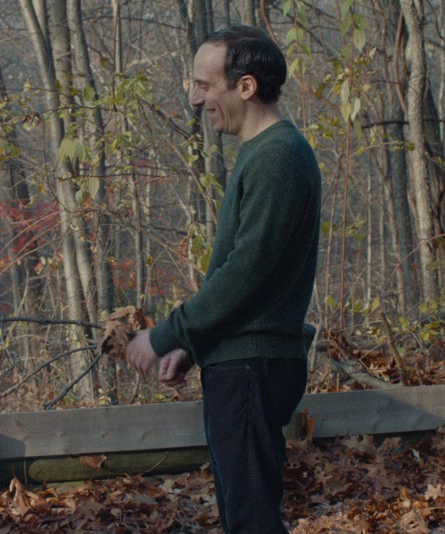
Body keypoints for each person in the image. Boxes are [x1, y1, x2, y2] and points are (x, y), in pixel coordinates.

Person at [126, 25, 321, 533]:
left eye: (204, 85)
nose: (195, 99)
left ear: (246, 87)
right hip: (241, 362)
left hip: (252, 368)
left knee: (251, 520)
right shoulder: (262, 153)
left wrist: (165, 335)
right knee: (245, 516)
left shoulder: (279, 156)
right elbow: (245, 277)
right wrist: (194, 346)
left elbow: (244, 274)